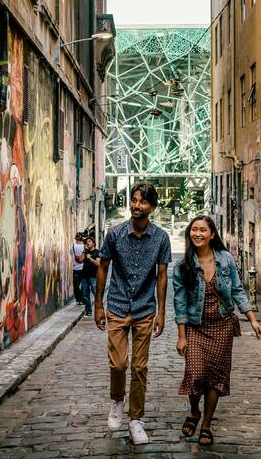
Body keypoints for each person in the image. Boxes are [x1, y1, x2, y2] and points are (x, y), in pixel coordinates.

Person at [172, 215, 261, 446]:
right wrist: (181, 336)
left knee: (215, 379)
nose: (198, 234)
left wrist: (252, 319)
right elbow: (180, 301)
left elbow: (237, 290)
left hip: (222, 326)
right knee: (195, 374)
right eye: (194, 230)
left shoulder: (225, 259)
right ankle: (194, 412)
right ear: (189, 233)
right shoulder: (183, 266)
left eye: (203, 230)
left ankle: (206, 425)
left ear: (212, 234)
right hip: (195, 327)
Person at [95, 183, 171, 445]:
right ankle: (117, 400)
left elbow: (162, 276)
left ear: (152, 207)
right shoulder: (114, 235)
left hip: (144, 310)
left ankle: (136, 419)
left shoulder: (161, 238)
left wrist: (162, 312)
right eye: (134, 201)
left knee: (140, 367)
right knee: (118, 364)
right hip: (116, 306)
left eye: (143, 202)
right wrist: (97, 305)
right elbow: (103, 268)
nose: (137, 206)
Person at [81, 236, 100, 316]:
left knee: (96, 294)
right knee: (85, 294)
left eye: (89, 242)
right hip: (84, 276)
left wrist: (90, 258)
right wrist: (83, 252)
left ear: (93, 243)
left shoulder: (97, 252)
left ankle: (98, 310)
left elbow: (97, 263)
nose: (88, 243)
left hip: (93, 277)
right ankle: (89, 311)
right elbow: (80, 260)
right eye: (87, 242)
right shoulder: (85, 252)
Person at [71, 233, 86, 305]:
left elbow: (72, 254)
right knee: (83, 285)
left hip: (75, 268)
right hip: (83, 268)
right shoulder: (84, 247)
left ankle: (78, 300)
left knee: (76, 285)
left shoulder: (72, 247)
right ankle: (83, 299)